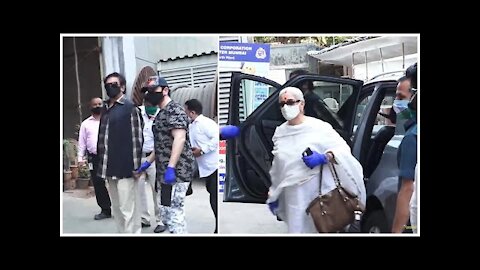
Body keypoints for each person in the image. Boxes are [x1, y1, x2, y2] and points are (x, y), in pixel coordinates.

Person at [266, 87, 366, 233]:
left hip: (318, 195)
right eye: (282, 104)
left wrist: (324, 157)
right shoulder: (280, 132)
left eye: (290, 102)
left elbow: (342, 149)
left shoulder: (319, 128)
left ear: (302, 104)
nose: (286, 107)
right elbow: (279, 166)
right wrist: (274, 193)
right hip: (293, 196)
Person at [143, 76, 195, 234]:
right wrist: (147, 162)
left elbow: (179, 138)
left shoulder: (174, 110)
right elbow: (161, 144)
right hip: (164, 172)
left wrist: (171, 167)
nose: (149, 95)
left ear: (165, 90)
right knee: (166, 211)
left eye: (153, 91)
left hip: (177, 172)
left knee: (175, 212)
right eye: (147, 92)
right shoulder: (161, 113)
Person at [96, 72, 144, 234]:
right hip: (109, 168)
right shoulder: (106, 109)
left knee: (128, 210)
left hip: (125, 168)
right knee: (117, 211)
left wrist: (137, 167)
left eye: (114, 84)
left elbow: (137, 139)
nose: (110, 87)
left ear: (122, 87)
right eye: (107, 85)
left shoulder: (130, 108)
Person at [184, 99, 219, 233]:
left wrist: (202, 150)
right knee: (212, 196)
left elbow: (216, 138)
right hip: (204, 168)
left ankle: (218, 228)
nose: (185, 113)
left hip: (213, 166)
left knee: (214, 200)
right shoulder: (192, 125)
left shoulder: (206, 123)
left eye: (186, 110)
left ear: (192, 112)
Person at [391, 63, 418, 233]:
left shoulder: (412, 137)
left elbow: (407, 190)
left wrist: (396, 232)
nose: (397, 103)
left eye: (402, 97)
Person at [77, 97, 112, 220]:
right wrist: (80, 158)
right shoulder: (86, 124)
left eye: (99, 104)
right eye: (94, 104)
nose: (97, 106)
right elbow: (82, 142)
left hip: (110, 156)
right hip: (94, 157)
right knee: (98, 183)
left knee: (114, 182)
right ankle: (105, 209)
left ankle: (119, 208)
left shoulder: (108, 120)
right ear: (90, 107)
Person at [136, 98, 167, 233]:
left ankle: (161, 220)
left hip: (155, 158)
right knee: (139, 190)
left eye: (153, 104)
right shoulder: (137, 113)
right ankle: (144, 218)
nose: (151, 107)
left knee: (157, 190)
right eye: (148, 104)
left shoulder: (161, 114)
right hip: (139, 157)